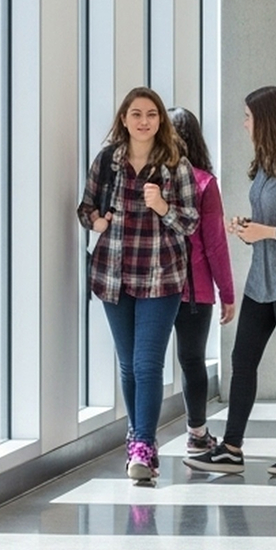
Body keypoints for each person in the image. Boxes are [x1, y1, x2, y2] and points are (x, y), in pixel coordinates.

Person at [184, 85, 276, 478]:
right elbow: (270, 221)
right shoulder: (264, 165)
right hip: (260, 281)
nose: (244, 124)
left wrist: (269, 233)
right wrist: (248, 228)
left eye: (248, 117)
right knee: (242, 361)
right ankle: (231, 447)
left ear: (266, 120)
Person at [77, 87, 201, 483]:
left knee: (148, 364)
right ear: (124, 119)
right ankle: (136, 436)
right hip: (113, 275)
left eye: (151, 114)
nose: (143, 121)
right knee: (128, 365)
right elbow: (85, 207)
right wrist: (96, 222)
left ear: (160, 120)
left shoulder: (174, 165)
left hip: (160, 277)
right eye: (136, 114)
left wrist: (162, 206)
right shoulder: (108, 162)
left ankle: (143, 445)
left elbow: (190, 222)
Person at [168, 107, 236, 456]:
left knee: (144, 363)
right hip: (194, 292)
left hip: (151, 288)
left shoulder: (153, 179)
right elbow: (215, 243)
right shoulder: (204, 183)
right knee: (192, 361)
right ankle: (197, 435)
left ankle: (140, 439)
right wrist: (227, 292)